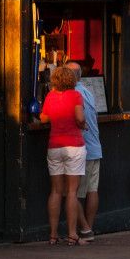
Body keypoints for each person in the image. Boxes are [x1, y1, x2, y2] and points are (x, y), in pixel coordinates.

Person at [40, 65, 86, 245]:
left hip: (55, 146)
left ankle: (53, 235)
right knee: (72, 192)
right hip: (74, 145)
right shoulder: (76, 95)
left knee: (56, 191)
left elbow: (43, 118)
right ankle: (72, 234)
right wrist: (83, 126)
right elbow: (80, 118)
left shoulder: (50, 96)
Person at [66, 61, 101, 242]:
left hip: (83, 147)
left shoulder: (73, 94)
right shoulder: (88, 91)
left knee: (74, 192)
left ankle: (86, 229)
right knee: (92, 190)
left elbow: (78, 119)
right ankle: (90, 228)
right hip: (95, 147)